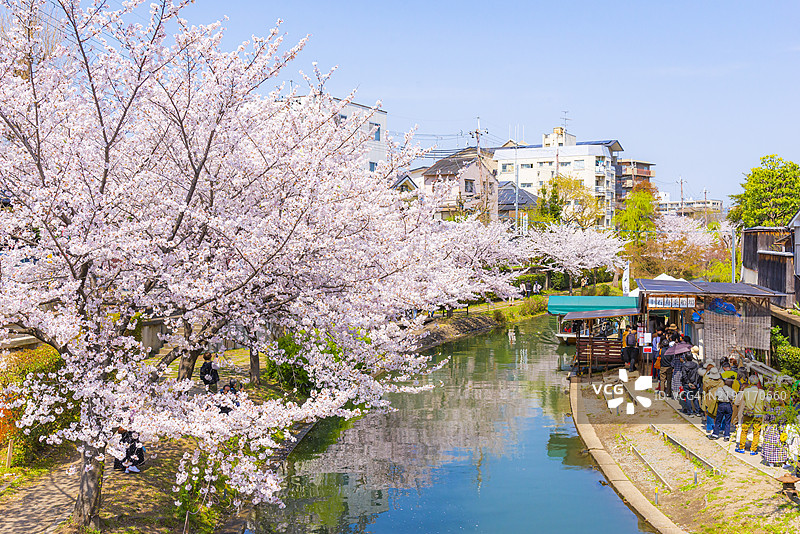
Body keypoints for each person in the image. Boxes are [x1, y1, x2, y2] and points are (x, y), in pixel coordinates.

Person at [735, 375, 765, 455]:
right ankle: (753, 449)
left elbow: (744, 400)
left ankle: (741, 447)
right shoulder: (761, 392)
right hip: (758, 414)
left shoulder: (746, 391)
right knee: (756, 431)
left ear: (750, 382)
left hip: (748, 413)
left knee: (744, 430)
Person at [761, 385, 789, 468]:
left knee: (770, 446)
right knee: (781, 446)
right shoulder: (783, 411)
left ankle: (771, 462)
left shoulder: (770, 410)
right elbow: (785, 420)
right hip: (780, 429)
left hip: (771, 429)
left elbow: (766, 419)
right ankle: (783, 462)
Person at [702, 366, 723, 434]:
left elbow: (705, 389)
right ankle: (720, 428)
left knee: (710, 413)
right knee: (719, 413)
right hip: (719, 397)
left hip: (710, 398)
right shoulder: (721, 382)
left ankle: (709, 428)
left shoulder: (707, 382)